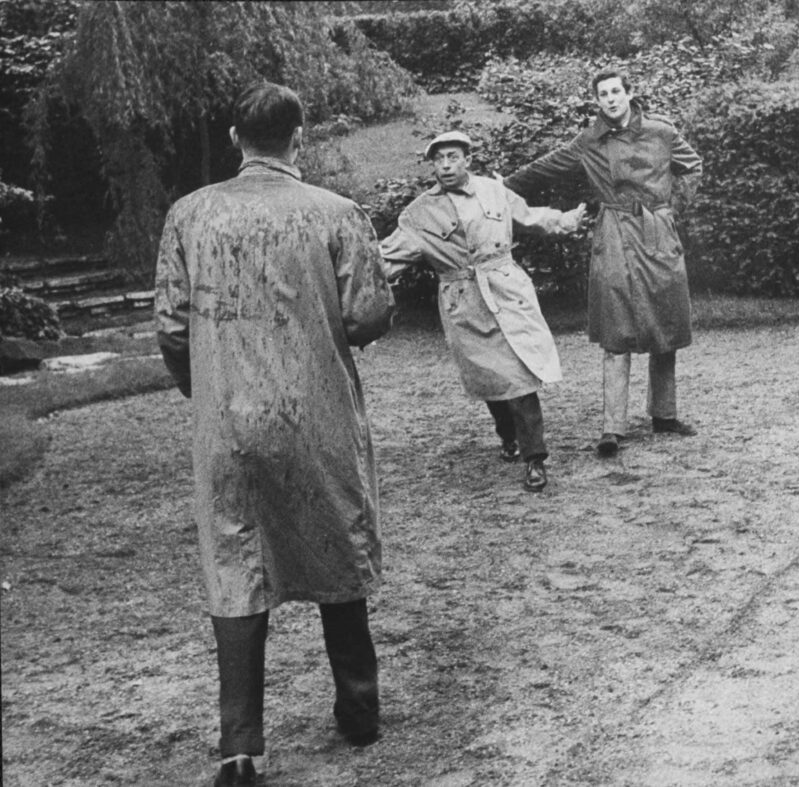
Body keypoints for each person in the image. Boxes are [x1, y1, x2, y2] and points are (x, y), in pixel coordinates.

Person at [154, 82, 395, 787]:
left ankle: (241, 748)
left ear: (235, 136)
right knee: (337, 540)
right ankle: (359, 708)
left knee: (234, 566)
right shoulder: (335, 213)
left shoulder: (189, 214)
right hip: (315, 412)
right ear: (299, 137)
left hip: (226, 421)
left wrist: (207, 392)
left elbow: (171, 326)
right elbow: (369, 315)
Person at [503, 70, 703, 457]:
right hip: (613, 233)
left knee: (666, 319)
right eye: (603, 94)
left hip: (658, 230)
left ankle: (664, 414)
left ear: (630, 94)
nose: (611, 99)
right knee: (616, 326)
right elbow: (545, 167)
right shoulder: (589, 141)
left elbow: (692, 166)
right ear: (597, 101)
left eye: (616, 92)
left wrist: (673, 210)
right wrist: (500, 184)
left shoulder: (661, 132)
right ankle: (613, 427)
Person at [379, 130, 586, 492]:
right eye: (438, 159)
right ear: (432, 164)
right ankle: (507, 435)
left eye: (453, 157)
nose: (445, 164)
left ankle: (534, 457)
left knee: (520, 375)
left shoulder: (494, 191)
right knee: (490, 379)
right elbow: (387, 258)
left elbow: (530, 217)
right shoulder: (419, 214)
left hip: (506, 289)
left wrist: (565, 220)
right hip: (464, 302)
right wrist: (344, 272)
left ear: (468, 159)